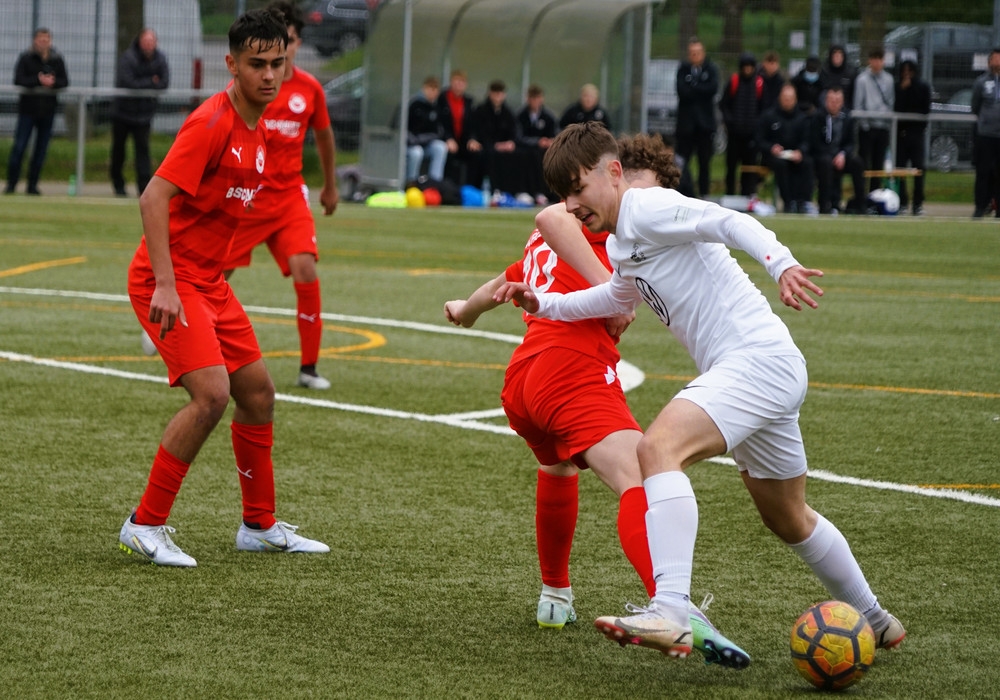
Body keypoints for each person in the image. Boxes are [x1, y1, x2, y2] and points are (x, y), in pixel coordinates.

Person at [494, 121, 906, 660]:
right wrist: (543, 304)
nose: (571, 206)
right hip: (763, 371)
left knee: (656, 449)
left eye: (577, 190)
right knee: (788, 517)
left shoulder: (645, 206)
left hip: (755, 361)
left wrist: (781, 264)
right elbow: (613, 297)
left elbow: (730, 221)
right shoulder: (620, 242)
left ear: (613, 173)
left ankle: (670, 609)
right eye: (563, 196)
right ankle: (875, 618)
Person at [443, 132, 751, 669]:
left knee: (558, 468)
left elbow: (504, 281)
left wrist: (465, 310)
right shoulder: (590, 224)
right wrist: (613, 291)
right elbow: (550, 217)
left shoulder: (590, 232)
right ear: (614, 175)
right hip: (571, 372)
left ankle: (555, 595)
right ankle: (674, 610)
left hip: (525, 382)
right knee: (643, 477)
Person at [118, 9, 328, 568]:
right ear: (231, 65)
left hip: (208, 283)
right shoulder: (212, 122)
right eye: (256, 64)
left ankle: (258, 526)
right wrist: (166, 284)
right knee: (211, 395)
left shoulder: (259, 127)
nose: (269, 74)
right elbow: (152, 198)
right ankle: (144, 524)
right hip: (169, 279)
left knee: (257, 394)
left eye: (277, 63)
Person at [223, 1, 339, 391]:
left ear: (297, 42)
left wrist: (330, 185)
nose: (282, 49)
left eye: (288, 40)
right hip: (248, 200)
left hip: (289, 199)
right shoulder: (251, 88)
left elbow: (324, 136)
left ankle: (309, 368)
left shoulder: (309, 89)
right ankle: (174, 323)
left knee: (306, 270)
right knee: (213, 275)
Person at [4, 28, 69, 195]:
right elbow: (19, 79)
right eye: (41, 39)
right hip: (28, 111)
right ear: (35, 40)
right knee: (19, 147)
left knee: (41, 150)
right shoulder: (26, 58)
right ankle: (11, 184)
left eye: (46, 40)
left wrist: (52, 83)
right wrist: (38, 80)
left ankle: (32, 185)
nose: (44, 43)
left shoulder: (56, 59)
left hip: (47, 112)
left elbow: (64, 81)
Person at [110, 28, 169, 197]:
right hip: (122, 113)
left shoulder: (160, 58)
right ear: (140, 42)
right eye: (146, 41)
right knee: (118, 151)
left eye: (151, 41)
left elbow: (164, 82)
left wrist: (146, 83)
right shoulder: (129, 58)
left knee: (143, 152)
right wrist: (151, 81)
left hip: (143, 115)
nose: (149, 45)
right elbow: (128, 82)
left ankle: (144, 188)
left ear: (155, 43)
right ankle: (118, 184)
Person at [808, 85, 866, 215]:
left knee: (857, 162)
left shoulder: (848, 118)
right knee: (825, 163)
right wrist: (833, 155)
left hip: (842, 156)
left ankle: (861, 205)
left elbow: (851, 142)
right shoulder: (818, 117)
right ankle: (825, 205)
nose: (834, 104)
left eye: (837, 101)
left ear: (842, 102)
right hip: (823, 156)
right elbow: (815, 142)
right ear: (826, 100)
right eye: (831, 100)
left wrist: (842, 154)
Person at [757, 83, 811, 213]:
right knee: (781, 165)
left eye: (790, 98)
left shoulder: (802, 118)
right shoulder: (769, 116)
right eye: (785, 98)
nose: (787, 102)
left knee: (807, 163)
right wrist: (771, 148)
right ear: (780, 98)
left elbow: (807, 140)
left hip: (795, 155)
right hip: (773, 156)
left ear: (795, 99)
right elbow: (759, 140)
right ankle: (788, 202)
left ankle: (803, 202)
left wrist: (800, 151)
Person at [675, 37, 719, 198]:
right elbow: (682, 91)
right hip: (686, 126)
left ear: (703, 53)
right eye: (692, 53)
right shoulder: (683, 69)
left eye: (698, 52)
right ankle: (682, 193)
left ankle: (704, 194)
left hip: (704, 126)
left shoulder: (711, 69)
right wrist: (700, 88)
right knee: (682, 162)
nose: (695, 55)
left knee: (704, 162)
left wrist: (693, 86)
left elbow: (712, 89)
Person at [720, 52, 763, 196]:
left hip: (751, 135)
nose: (747, 70)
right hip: (734, 134)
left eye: (750, 67)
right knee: (731, 167)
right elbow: (724, 104)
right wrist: (730, 122)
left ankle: (747, 194)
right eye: (745, 67)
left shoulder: (759, 84)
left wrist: (756, 126)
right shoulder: (734, 82)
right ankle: (730, 193)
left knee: (749, 167)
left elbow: (763, 108)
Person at [469, 80, 522, 196]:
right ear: (490, 93)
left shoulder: (508, 113)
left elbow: (515, 132)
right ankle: (485, 189)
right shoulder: (480, 110)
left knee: (517, 155)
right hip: (485, 147)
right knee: (483, 155)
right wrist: (475, 140)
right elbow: (475, 130)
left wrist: (510, 143)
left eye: (500, 93)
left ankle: (511, 190)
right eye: (495, 93)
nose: (498, 96)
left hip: (502, 148)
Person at [853, 48, 894, 192]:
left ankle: (875, 193)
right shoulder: (862, 80)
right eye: (874, 59)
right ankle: (861, 194)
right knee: (864, 162)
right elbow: (858, 104)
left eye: (879, 59)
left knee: (878, 163)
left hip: (882, 127)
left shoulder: (889, 80)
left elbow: (890, 102)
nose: (876, 63)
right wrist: (864, 125)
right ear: (869, 61)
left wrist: (886, 122)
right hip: (867, 128)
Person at [893, 59, 930, 216]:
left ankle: (917, 204)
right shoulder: (897, 87)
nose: (907, 75)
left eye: (910, 72)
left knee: (919, 169)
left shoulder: (923, 87)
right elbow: (896, 108)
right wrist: (902, 90)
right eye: (904, 72)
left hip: (916, 134)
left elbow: (925, 110)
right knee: (900, 169)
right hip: (901, 134)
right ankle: (902, 202)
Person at [515, 84, 558, 205]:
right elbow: (519, 137)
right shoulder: (521, 116)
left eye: (537, 98)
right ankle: (524, 191)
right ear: (528, 99)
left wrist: (550, 141)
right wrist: (537, 142)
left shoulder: (549, 116)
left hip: (544, 151)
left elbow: (555, 134)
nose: (535, 101)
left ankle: (543, 192)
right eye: (532, 98)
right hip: (526, 151)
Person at [971, 47, 1000, 218]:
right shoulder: (981, 82)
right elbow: (975, 106)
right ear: (989, 62)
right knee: (983, 172)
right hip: (985, 135)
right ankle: (980, 207)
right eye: (995, 59)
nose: (997, 63)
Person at [438, 69, 478, 187]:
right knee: (448, 154)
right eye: (456, 81)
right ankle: (447, 187)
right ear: (451, 82)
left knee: (476, 153)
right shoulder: (442, 99)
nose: (459, 85)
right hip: (447, 139)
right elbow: (439, 123)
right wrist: (447, 138)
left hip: (463, 140)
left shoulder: (469, 102)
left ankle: (472, 187)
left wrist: (472, 139)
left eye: (462, 82)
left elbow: (473, 124)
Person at [405, 76, 448, 183]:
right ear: (424, 88)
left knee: (440, 147)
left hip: (426, 143)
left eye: (435, 89)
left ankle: (435, 183)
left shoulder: (437, 108)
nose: (432, 92)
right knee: (417, 153)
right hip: (410, 144)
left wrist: (425, 139)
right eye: (430, 88)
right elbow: (403, 129)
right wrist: (413, 140)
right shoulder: (413, 105)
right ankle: (411, 183)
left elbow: (438, 131)